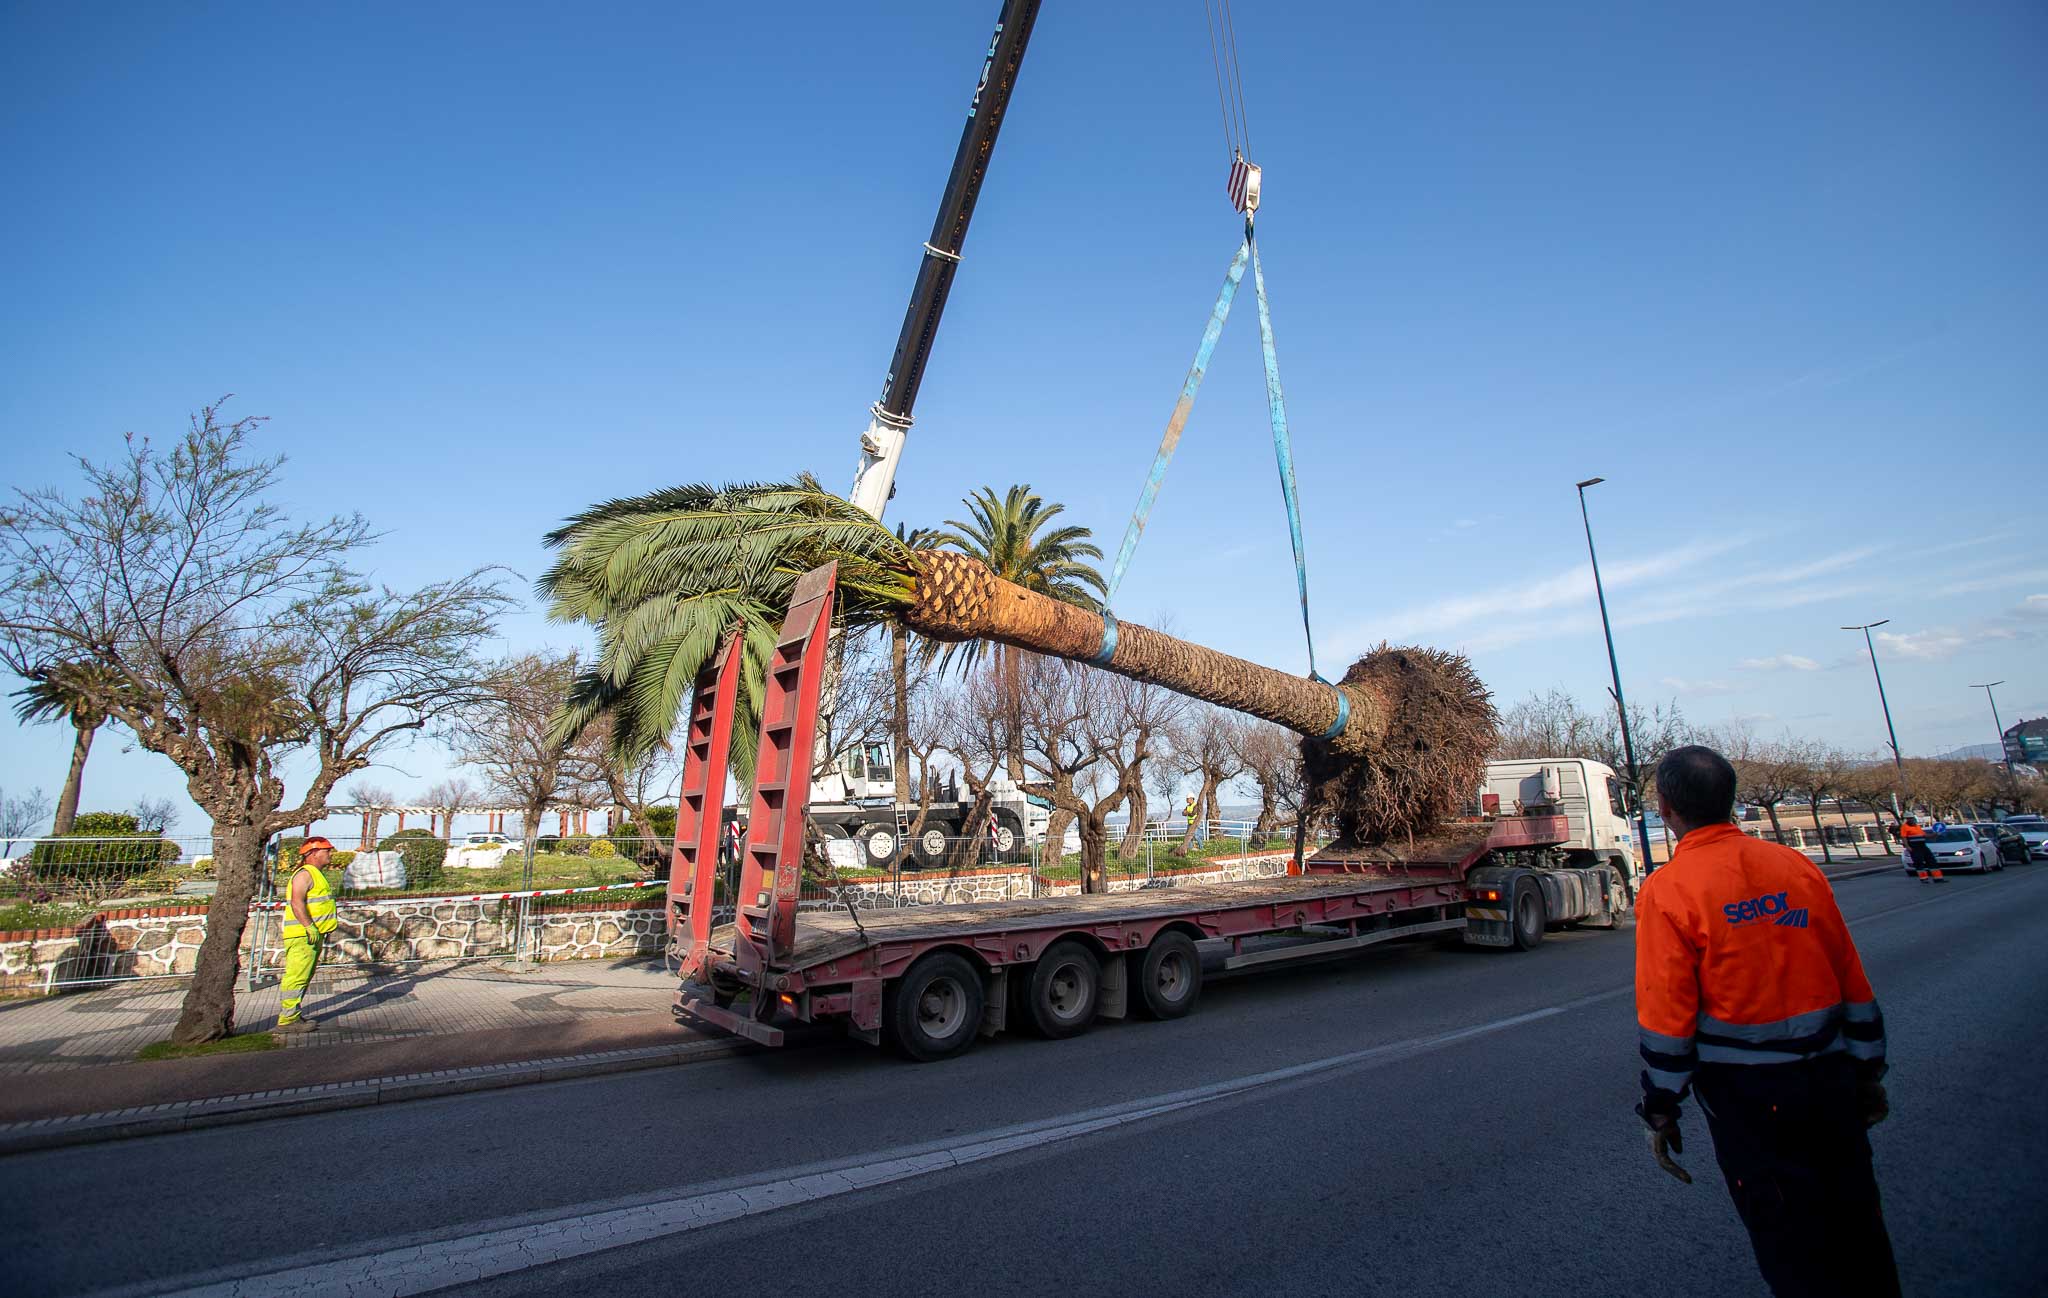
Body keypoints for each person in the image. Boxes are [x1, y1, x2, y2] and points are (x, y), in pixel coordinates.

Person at [1635, 745, 1896, 1298]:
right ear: (1731, 800)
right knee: (1858, 1227)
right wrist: (1869, 1070)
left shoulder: (1670, 889)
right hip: (1832, 1084)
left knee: (1790, 1242)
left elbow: (1667, 1013)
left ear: (1665, 807)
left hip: (1749, 1100)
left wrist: (1661, 1105)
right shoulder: (1795, 866)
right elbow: (1850, 975)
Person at [277, 835, 341, 1033]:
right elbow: (297, 902)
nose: (330, 854)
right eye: (326, 851)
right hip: (303, 935)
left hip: (311, 935)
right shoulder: (304, 874)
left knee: (303, 975)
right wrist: (308, 926)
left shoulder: (314, 873)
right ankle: (288, 1020)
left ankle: (292, 1014)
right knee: (297, 976)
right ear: (313, 853)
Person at [1898, 816, 1942, 882]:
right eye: (1910, 819)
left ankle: (1938, 878)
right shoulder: (1905, 827)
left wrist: (1935, 834)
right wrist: (1907, 846)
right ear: (1908, 820)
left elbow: (1924, 835)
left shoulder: (1917, 826)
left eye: (1913, 819)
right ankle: (1924, 878)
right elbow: (1904, 837)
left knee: (1931, 860)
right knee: (1919, 862)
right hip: (1914, 846)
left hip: (1922, 845)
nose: (1913, 820)